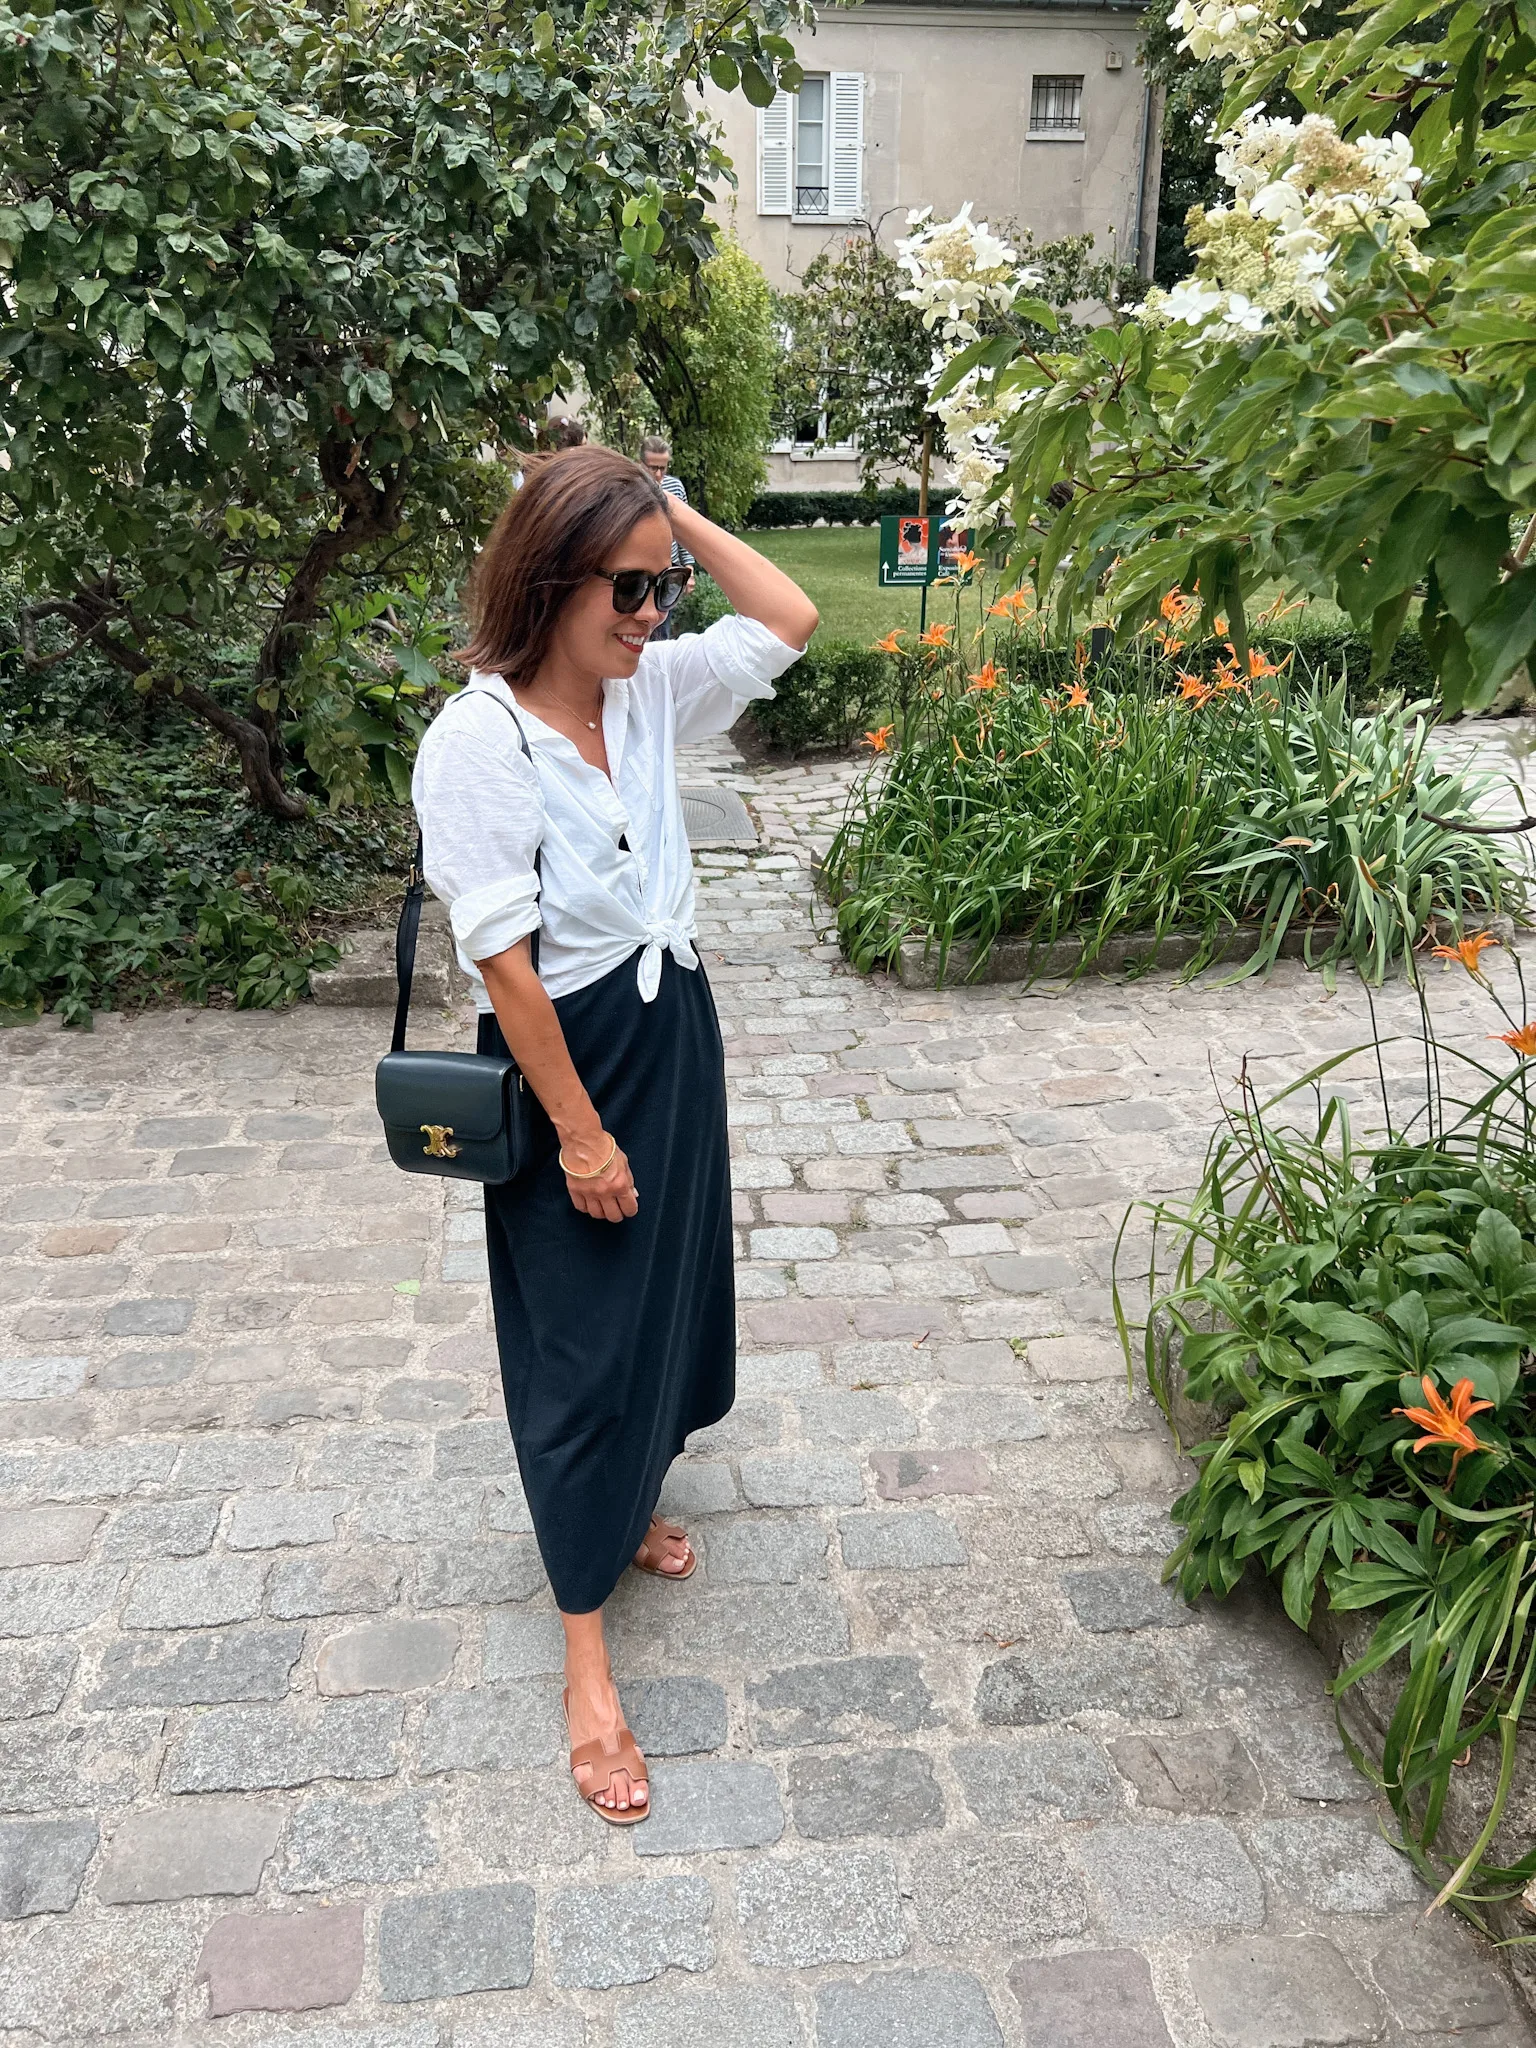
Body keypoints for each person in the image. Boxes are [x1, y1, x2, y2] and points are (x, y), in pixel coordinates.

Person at [412, 448, 817, 1823]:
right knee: (583, 1343)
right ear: (549, 578)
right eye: (628, 587)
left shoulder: (645, 699)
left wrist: (667, 505)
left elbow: (789, 619)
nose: (653, 613)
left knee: (668, 1292)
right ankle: (587, 1664)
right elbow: (506, 968)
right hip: (566, 1068)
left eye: (664, 585)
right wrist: (582, 1140)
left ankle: (638, 1497)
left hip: (674, 1032)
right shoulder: (480, 741)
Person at [639, 436, 694, 642]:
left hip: (668, 571)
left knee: (663, 628)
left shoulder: (675, 488)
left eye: (664, 467)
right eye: (653, 468)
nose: (659, 474)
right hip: (640, 572)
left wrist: (688, 566)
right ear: (640, 464)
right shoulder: (629, 489)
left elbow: (685, 532)